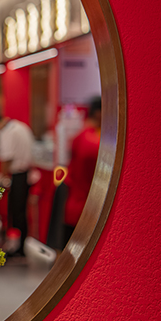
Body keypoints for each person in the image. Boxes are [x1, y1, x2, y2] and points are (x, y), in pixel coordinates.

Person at [0, 114, 35, 256]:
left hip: (17, 175)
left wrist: (2, 176)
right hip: (26, 174)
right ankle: (22, 246)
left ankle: (15, 247)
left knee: (15, 212)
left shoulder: (8, 132)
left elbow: (7, 158)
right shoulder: (22, 127)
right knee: (22, 211)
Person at [62, 96, 102, 245]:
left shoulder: (81, 136)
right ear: (98, 114)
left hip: (75, 203)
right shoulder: (92, 140)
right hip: (85, 207)